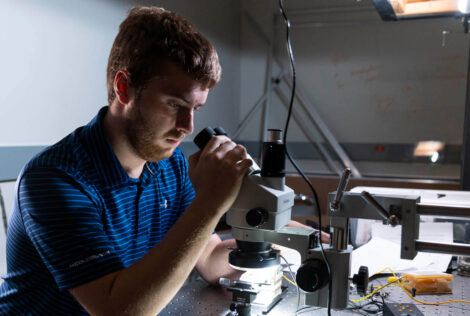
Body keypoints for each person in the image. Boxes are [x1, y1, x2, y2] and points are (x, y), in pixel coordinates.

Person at [0, 6, 328, 315]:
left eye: (195, 109)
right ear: (124, 88)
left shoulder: (168, 166)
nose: (188, 126)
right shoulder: (56, 179)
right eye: (174, 105)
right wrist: (210, 202)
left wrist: (274, 239)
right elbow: (119, 310)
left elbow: (210, 259)